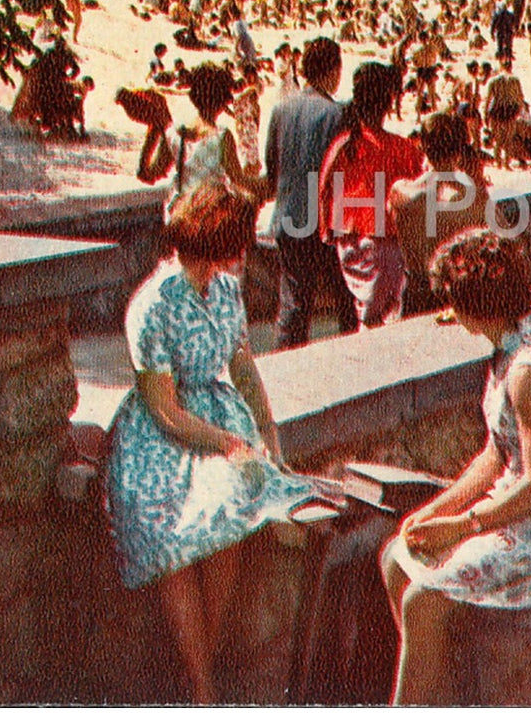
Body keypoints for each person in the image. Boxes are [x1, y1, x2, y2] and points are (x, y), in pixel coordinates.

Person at [106, 183, 342, 704]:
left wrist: (269, 435)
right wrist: (230, 442)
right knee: (174, 537)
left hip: (218, 423)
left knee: (228, 513)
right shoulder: (152, 304)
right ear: (216, 239)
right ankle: (202, 687)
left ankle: (200, 670)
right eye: (236, 240)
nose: (244, 252)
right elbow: (164, 409)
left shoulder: (227, 289)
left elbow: (243, 368)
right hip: (163, 438)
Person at [379, 229, 531, 705]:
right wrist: (433, 511)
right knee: (395, 558)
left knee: (423, 597)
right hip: (526, 505)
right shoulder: (507, 351)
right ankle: (438, 698)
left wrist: (461, 526)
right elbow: (496, 455)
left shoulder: (529, 369)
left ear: (472, 305)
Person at [264, 37, 358, 346]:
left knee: (294, 304)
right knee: (347, 300)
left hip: (288, 217)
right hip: (325, 222)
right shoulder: (337, 114)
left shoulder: (281, 109)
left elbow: (272, 168)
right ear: (333, 70)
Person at [317, 63, 424, 328]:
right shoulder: (402, 149)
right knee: (383, 318)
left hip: (347, 240)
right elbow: (416, 200)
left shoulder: (343, 144)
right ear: (388, 103)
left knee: (364, 313)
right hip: (384, 243)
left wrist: (326, 229)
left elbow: (324, 189)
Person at [390, 112, 491, 316]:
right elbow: (507, 238)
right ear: (459, 152)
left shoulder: (402, 192)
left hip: (418, 295)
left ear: (423, 147)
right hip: (459, 296)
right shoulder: (475, 196)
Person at [138, 63, 264, 214]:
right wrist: (266, 186)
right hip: (210, 220)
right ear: (222, 100)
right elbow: (239, 181)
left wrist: (153, 130)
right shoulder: (222, 136)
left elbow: (147, 174)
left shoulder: (176, 132)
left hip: (180, 216)